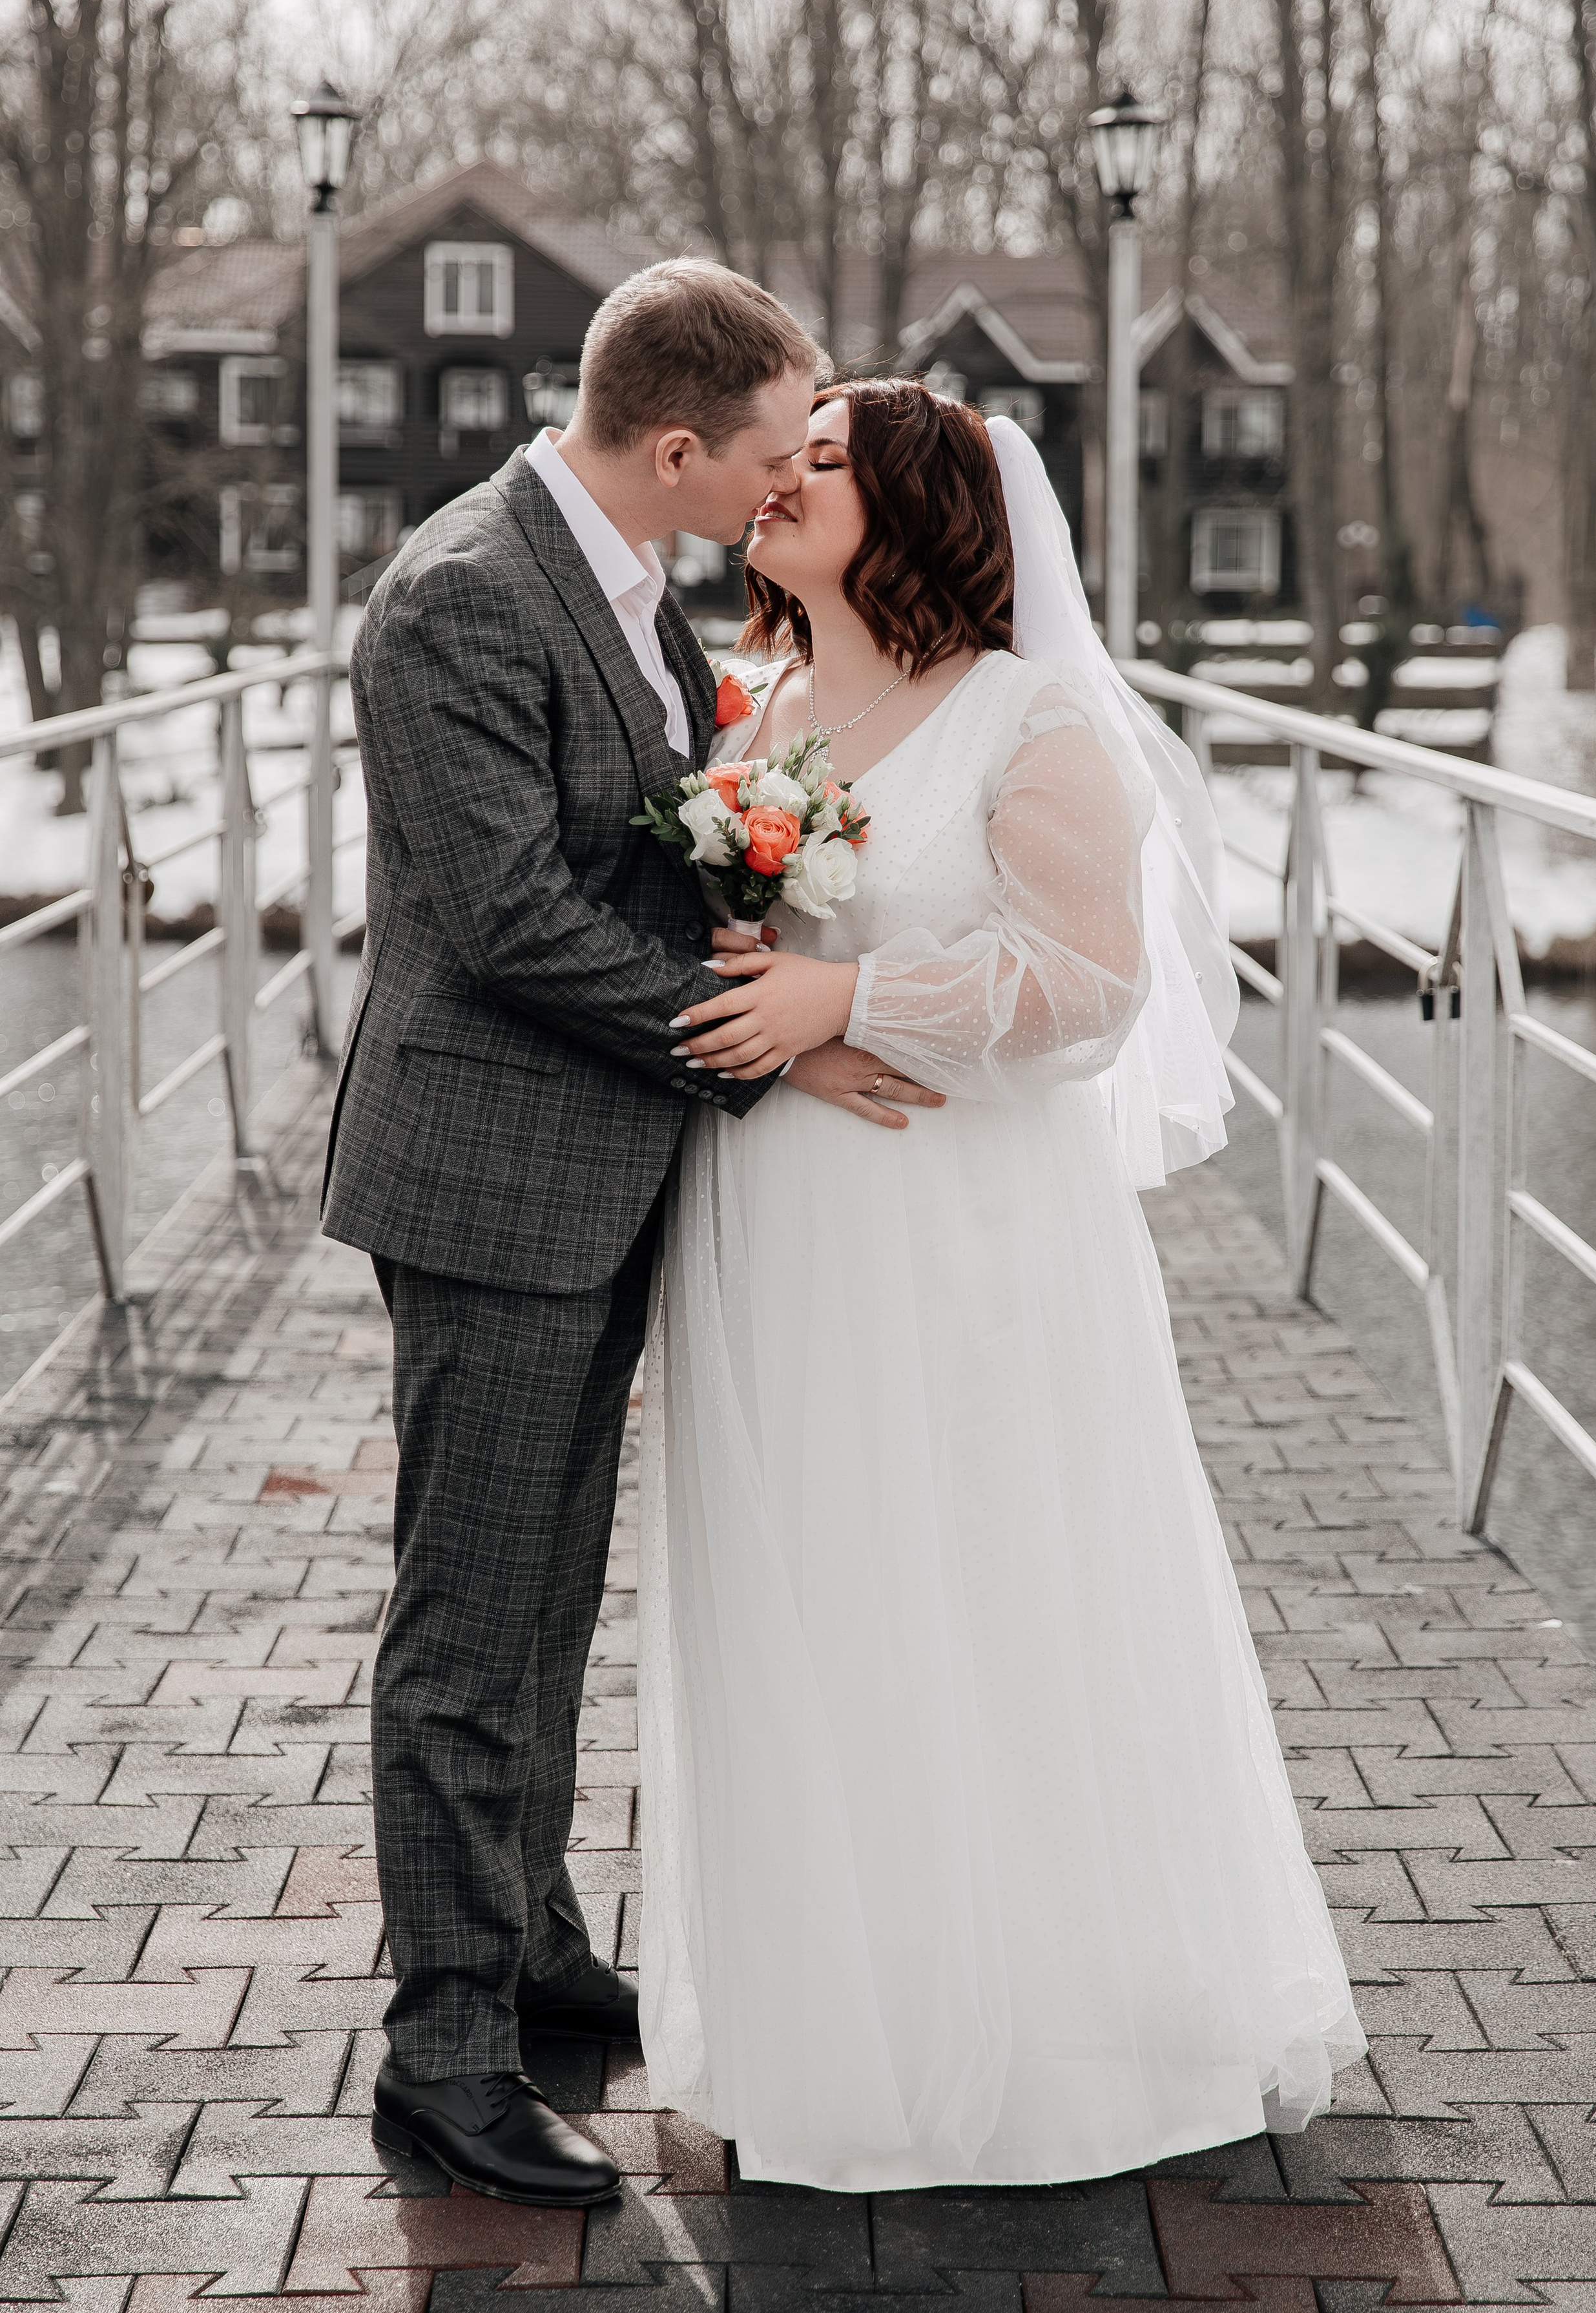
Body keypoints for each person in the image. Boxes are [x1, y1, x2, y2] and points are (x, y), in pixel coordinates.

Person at [637, 378, 1367, 2190]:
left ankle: (1036, 2020)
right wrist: (779, 1014)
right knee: (811, 1589)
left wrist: (852, 999)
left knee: (979, 1575)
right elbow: (730, 943)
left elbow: (1091, 983)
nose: (773, 486)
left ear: (914, 509)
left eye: (818, 466)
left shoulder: (1032, 718)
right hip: (775, 1218)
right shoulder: (758, 704)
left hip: (965, 1232)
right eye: (775, 464)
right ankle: (840, 2009)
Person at [321, 265, 944, 2209]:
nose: (782, 487)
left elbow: (654, 833)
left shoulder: (621, 570)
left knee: (551, 1593)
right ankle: (442, 2048)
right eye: (772, 453)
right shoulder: (461, 599)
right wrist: (756, 1045)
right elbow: (508, 916)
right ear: (678, 446)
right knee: (466, 1622)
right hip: (492, 1180)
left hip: (589, 1173)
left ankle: (531, 1938)